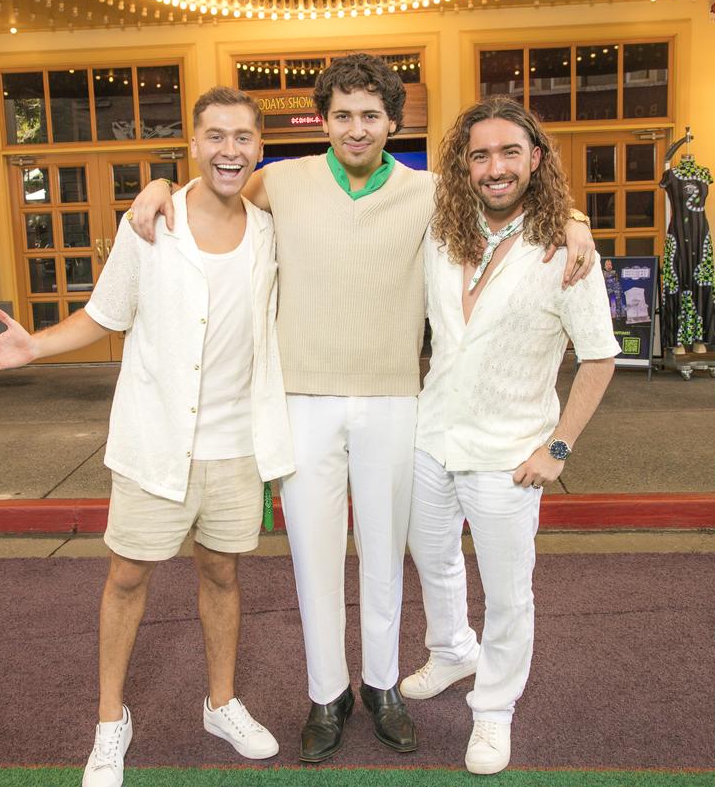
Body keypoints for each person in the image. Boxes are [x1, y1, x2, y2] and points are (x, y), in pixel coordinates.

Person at [129, 54, 596, 763]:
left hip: (394, 400)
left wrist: (575, 217)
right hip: (303, 399)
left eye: (370, 115)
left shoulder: (430, 192)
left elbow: (513, 193)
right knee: (314, 560)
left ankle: (381, 687)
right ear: (323, 119)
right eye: (342, 114)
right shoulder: (279, 181)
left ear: (391, 121)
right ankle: (327, 695)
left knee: (385, 555)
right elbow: (213, 195)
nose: (356, 128)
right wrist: (160, 184)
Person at [0, 87, 294, 787]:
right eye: (215, 136)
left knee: (223, 572)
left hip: (237, 444)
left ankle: (221, 702)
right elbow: (103, 314)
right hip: (154, 439)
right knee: (127, 576)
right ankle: (111, 721)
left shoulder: (270, 228)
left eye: (242, 137)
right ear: (195, 145)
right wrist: (35, 347)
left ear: (259, 147)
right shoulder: (151, 223)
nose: (230, 148)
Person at [401, 96, 618, 775]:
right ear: (462, 167)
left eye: (509, 152)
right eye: (480, 155)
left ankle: (494, 710)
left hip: (509, 456)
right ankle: (451, 651)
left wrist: (557, 449)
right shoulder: (442, 228)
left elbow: (600, 356)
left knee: (507, 591)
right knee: (433, 562)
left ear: (536, 160)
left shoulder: (566, 251)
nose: (495, 168)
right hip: (430, 437)